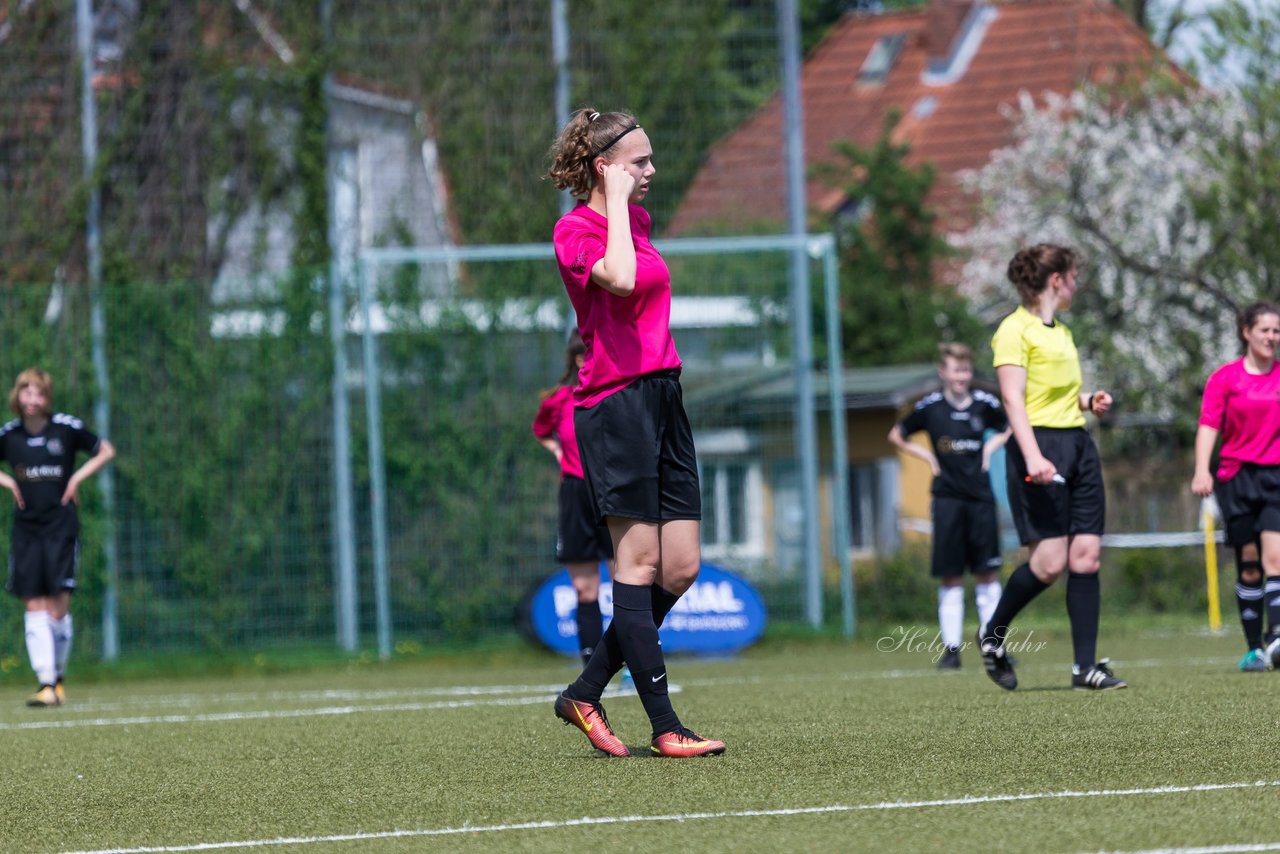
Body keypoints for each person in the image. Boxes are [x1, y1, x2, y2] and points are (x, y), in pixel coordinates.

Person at [545, 106, 725, 757]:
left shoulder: (637, 222)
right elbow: (619, 281)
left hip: (662, 396)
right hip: (613, 405)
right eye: (638, 161)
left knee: (679, 568)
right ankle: (665, 724)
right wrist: (614, 204)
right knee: (638, 562)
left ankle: (585, 691)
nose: (651, 170)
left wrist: (624, 205)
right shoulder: (576, 231)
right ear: (605, 167)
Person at [976, 244, 1127, 691]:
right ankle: (993, 634)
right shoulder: (1013, 330)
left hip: (1077, 444)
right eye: (1074, 276)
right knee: (1047, 564)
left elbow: (1055, 395)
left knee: (1087, 555)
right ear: (1056, 280)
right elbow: (1013, 400)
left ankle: (1085, 669)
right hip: (1036, 446)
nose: (1077, 284)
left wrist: (1088, 401)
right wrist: (1033, 455)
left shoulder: (1061, 332)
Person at [888, 343, 1010, 670]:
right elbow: (896, 435)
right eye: (956, 371)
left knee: (987, 573)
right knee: (951, 576)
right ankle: (951, 650)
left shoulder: (985, 404)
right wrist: (927, 456)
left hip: (981, 499)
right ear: (943, 373)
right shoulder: (930, 408)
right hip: (947, 500)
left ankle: (994, 644)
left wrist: (991, 448)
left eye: (966, 371)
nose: (962, 377)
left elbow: (1013, 426)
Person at [0, 368, 115, 706]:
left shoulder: (65, 429)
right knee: (32, 600)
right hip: (27, 529)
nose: (32, 400)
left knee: (58, 605)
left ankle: (57, 678)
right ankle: (46, 683)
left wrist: (76, 479)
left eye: (38, 393)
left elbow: (106, 451)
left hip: (60, 526)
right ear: (17, 396)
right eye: (26, 392)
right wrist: (7, 481)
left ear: (48, 398)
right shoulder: (9, 435)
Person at [1191, 301, 1280, 672]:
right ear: (1247, 332)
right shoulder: (1225, 379)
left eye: (1277, 331)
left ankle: (1277, 638)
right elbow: (1209, 424)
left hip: (1276, 476)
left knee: (1275, 558)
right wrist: (1201, 469)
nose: (1272, 338)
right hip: (1236, 477)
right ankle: (1253, 649)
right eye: (1265, 330)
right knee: (1248, 566)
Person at [531, 330, 618, 672]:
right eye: (584, 351)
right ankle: (591, 670)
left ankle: (631, 664)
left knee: (628, 584)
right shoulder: (558, 401)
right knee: (585, 588)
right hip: (576, 495)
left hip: (612, 492)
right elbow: (541, 431)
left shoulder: (615, 396)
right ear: (576, 357)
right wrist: (557, 451)